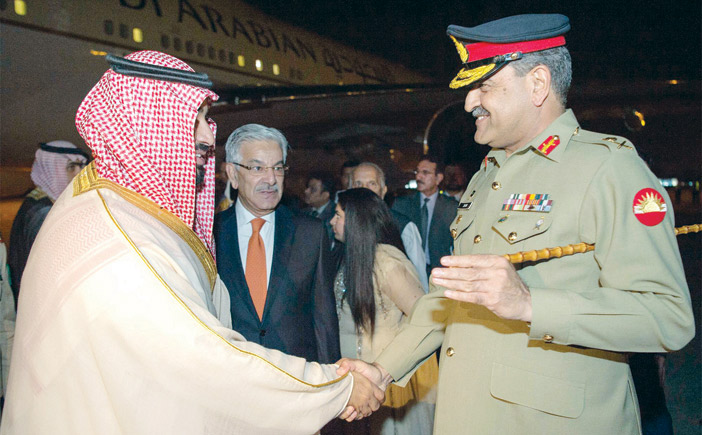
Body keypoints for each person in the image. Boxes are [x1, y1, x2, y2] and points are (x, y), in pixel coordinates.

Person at [338, 14, 694, 434]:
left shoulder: (608, 169)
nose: (469, 102)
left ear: (538, 84)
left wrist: (530, 304)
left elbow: (667, 316)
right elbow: (451, 298)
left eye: (485, 86)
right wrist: (384, 369)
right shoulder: (487, 174)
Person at [1, 51, 382, 434]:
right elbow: (205, 359)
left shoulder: (121, 208)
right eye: (193, 119)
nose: (207, 137)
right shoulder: (119, 239)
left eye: (205, 119)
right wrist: (336, 388)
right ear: (148, 124)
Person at [214, 124, 340, 364]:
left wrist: (332, 379)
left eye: (278, 168)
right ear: (233, 174)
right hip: (231, 372)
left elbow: (324, 319)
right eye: (257, 168)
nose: (271, 179)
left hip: (296, 375)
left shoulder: (309, 233)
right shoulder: (211, 234)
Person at [330, 188, 436, 435]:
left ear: (356, 221)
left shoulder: (388, 262)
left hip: (391, 383)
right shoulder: (348, 258)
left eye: (338, 215)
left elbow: (425, 320)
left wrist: (388, 367)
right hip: (359, 384)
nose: (332, 221)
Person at [8, 140, 88, 304]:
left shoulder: (43, 204)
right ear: (51, 171)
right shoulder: (42, 214)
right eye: (71, 167)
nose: (79, 174)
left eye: (81, 167)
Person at [351, 162, 429, 292]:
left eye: (372, 184)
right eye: (358, 184)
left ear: (383, 191)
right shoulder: (342, 225)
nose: (364, 190)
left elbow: (420, 279)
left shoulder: (402, 226)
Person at [391, 155, 457, 275]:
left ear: (438, 178)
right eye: (417, 172)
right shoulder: (402, 205)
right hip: (409, 272)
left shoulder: (452, 208)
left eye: (425, 173)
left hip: (441, 272)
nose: (418, 177)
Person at [303, 171, 337, 244]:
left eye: (313, 189)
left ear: (325, 195)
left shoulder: (335, 215)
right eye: (307, 187)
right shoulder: (302, 212)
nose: (306, 191)